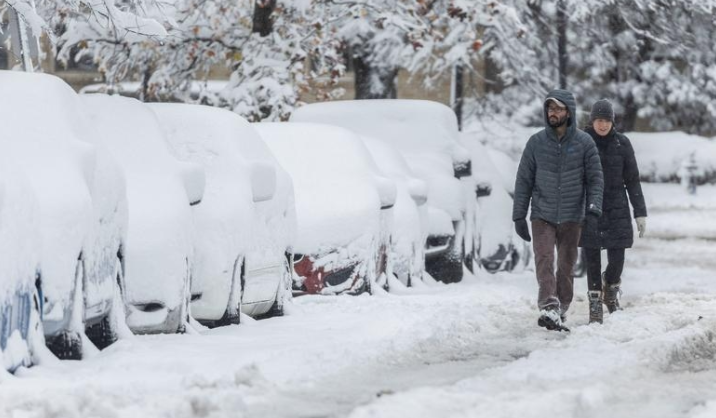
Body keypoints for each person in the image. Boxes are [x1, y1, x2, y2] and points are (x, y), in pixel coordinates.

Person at [513, 89, 604, 332]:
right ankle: (549, 306)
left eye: (558, 108)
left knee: (566, 266)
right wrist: (518, 215)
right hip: (542, 213)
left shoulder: (585, 143)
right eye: (549, 108)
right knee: (544, 259)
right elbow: (524, 180)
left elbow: (595, 179)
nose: (553, 113)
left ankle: (561, 307)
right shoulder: (536, 143)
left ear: (569, 112)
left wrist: (593, 209)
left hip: (573, 216)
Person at [580, 99, 647, 324]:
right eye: (599, 120)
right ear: (592, 121)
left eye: (606, 120)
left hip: (617, 206)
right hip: (591, 207)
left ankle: (610, 288)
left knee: (617, 259)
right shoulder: (582, 141)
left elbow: (632, 180)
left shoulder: (623, 144)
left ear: (612, 122)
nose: (602, 125)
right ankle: (595, 304)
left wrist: (640, 212)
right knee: (592, 258)